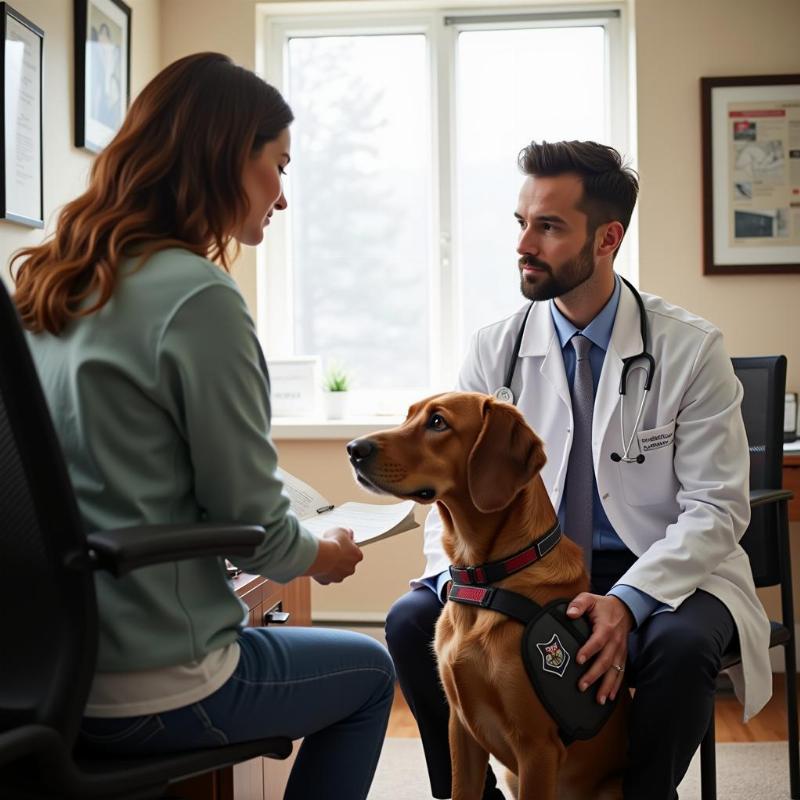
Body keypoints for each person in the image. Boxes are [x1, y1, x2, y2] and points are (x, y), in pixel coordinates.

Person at [11, 52, 394, 800]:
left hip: (51, 674)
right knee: (372, 673)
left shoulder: (53, 283)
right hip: (153, 685)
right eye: (278, 164)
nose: (283, 196)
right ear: (226, 157)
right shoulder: (198, 297)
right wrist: (324, 554)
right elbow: (257, 525)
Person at [385, 140, 772, 800]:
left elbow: (717, 508)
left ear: (606, 238)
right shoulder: (496, 349)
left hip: (656, 568)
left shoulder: (690, 348)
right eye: (521, 223)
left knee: (677, 650)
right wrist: (455, 582)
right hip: (522, 569)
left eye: (549, 226)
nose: (524, 244)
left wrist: (628, 601)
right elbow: (452, 491)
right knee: (411, 620)